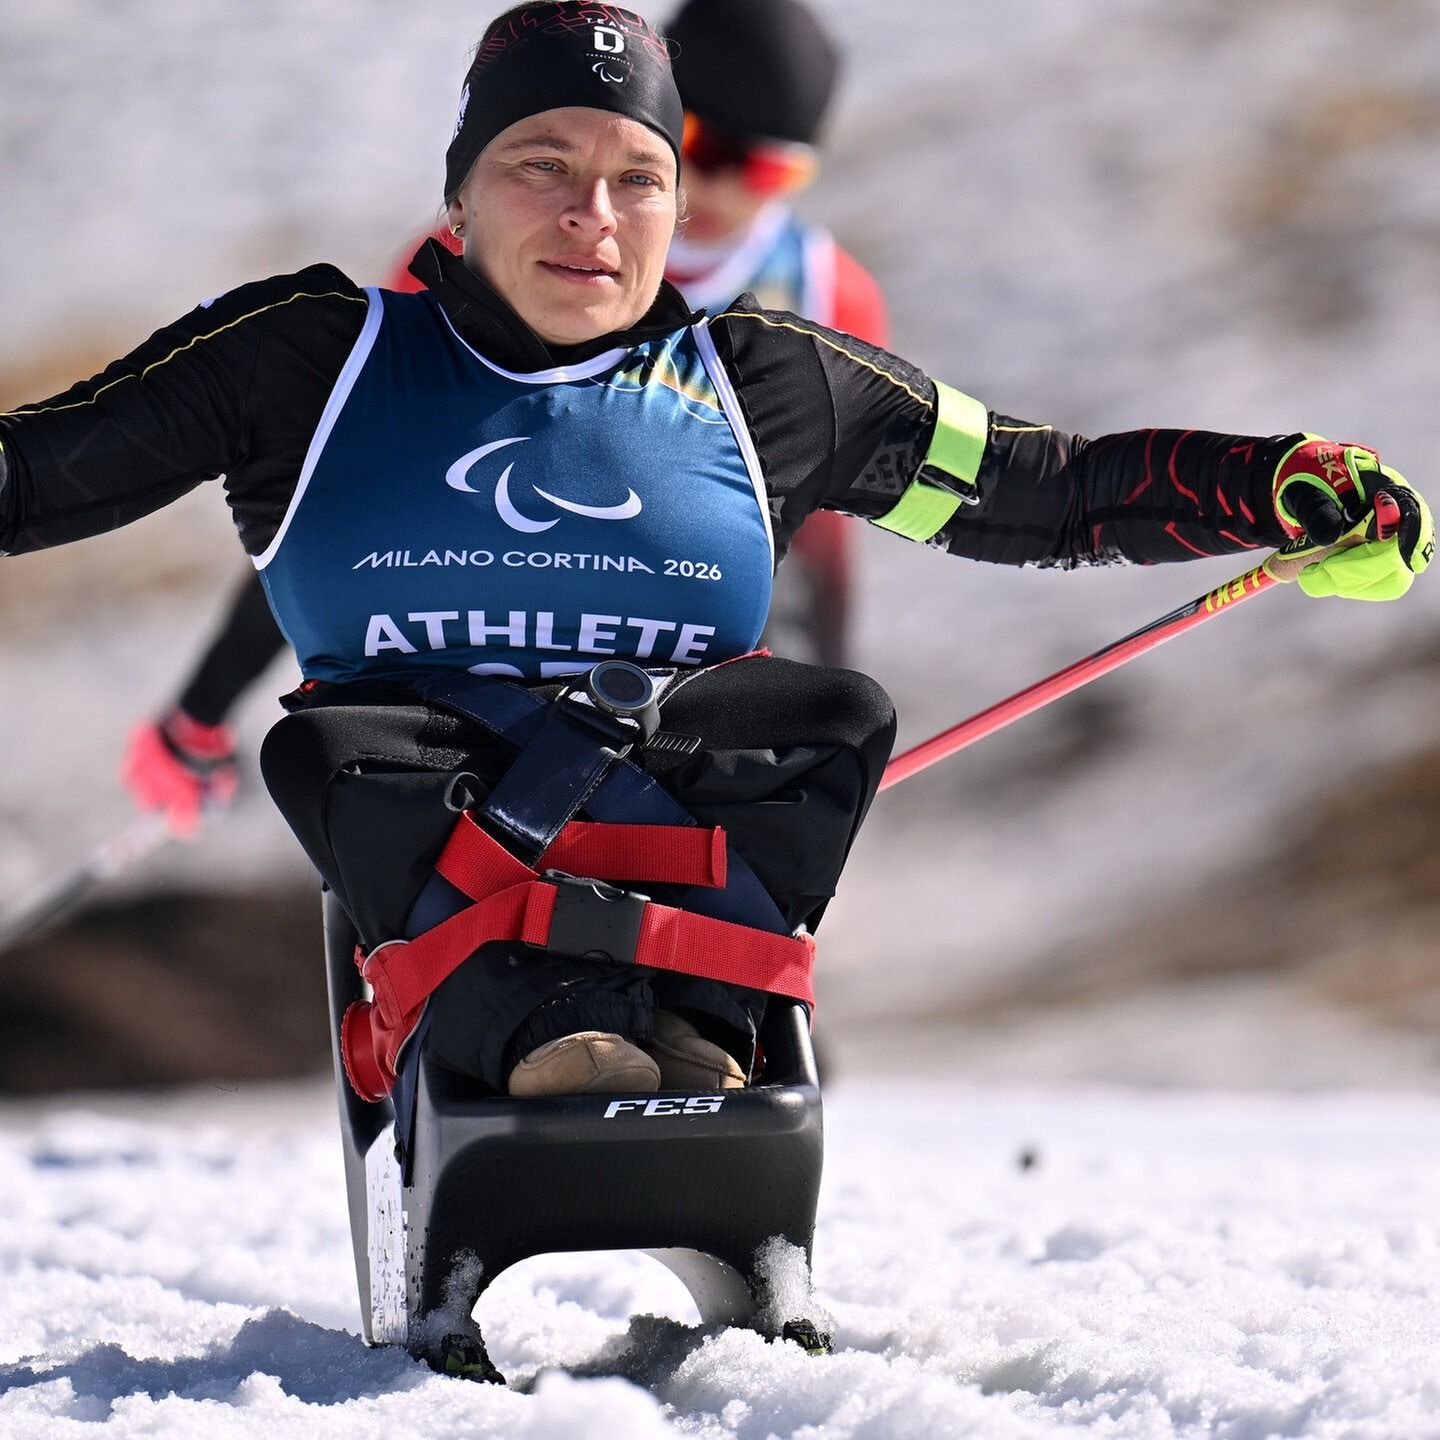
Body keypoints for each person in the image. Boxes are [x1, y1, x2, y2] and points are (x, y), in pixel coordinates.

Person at [1, 2, 1430, 1102]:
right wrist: (198, 711)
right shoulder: (313, 353)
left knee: (829, 714)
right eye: (542, 166)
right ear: (459, 199)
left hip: (665, 828)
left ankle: (692, 1024)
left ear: (676, 212)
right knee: (335, 748)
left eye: (639, 178)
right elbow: (47, 472)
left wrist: (1274, 485)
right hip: (430, 822)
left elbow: (1039, 491)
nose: (593, 216)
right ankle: (558, 1030)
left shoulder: (773, 384)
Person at [118, 0, 882, 847]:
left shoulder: (824, 294)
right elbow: (337, 498)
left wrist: (824, 749)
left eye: (767, 171)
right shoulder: (481, 258)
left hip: (678, 704)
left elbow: (826, 541)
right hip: (472, 677)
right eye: (706, 149)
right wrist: (203, 709)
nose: (727, 190)